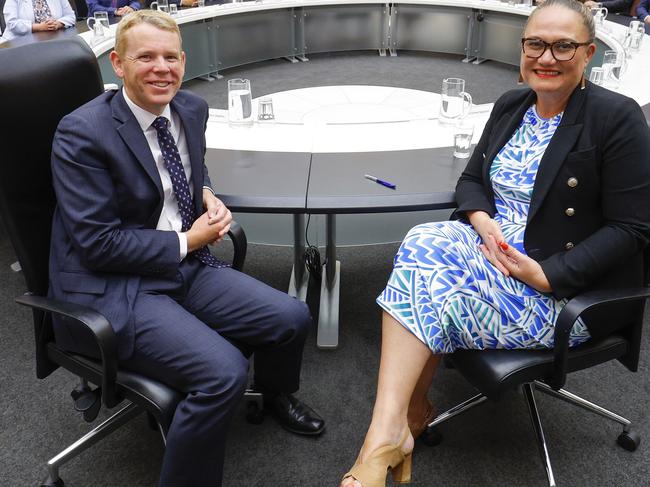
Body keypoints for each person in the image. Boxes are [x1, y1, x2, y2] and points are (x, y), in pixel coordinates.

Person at [340, 0, 650, 485]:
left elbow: (633, 229)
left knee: (426, 273)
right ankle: (395, 426)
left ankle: (394, 433)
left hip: (558, 289)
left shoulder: (616, 118)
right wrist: (484, 223)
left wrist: (547, 274)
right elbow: (470, 182)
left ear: (588, 53)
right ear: (522, 48)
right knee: (425, 242)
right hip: (491, 257)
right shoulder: (512, 105)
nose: (546, 57)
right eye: (536, 44)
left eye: (563, 46)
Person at [49, 9, 324, 487]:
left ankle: (275, 394)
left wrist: (205, 192)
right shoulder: (82, 132)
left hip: (184, 265)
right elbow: (96, 244)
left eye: (170, 56)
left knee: (290, 317)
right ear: (117, 64)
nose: (162, 68)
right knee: (222, 373)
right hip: (116, 286)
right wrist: (190, 239)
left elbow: (180, 169)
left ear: (184, 60)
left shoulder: (190, 109)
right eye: (146, 57)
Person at [0, 0, 75, 42]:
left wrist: (59, 23)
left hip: (54, 41)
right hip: (19, 43)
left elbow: (70, 16)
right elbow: (12, 23)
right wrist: (39, 27)